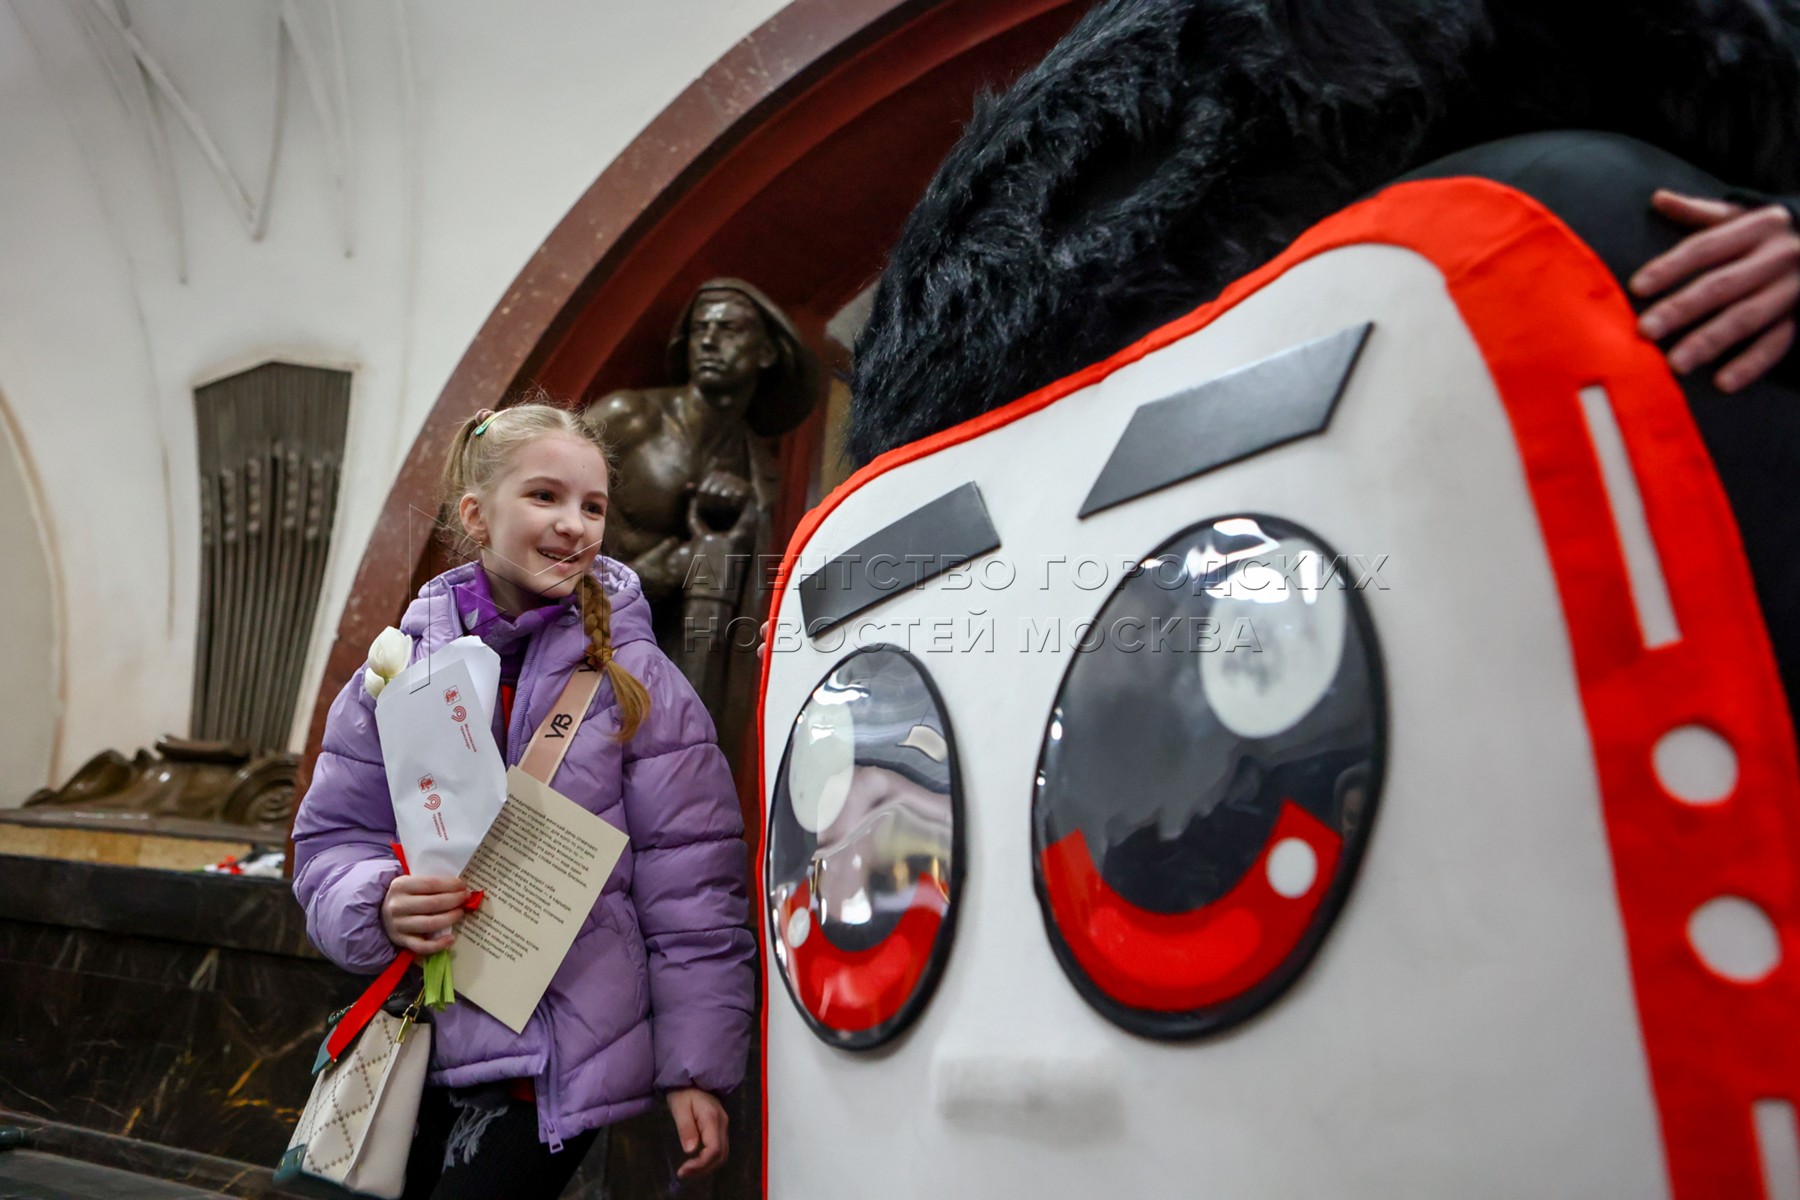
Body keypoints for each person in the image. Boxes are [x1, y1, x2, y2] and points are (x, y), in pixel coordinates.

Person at [291, 400, 755, 1200]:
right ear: (477, 514)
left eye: (594, 506)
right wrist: (378, 902)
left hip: (557, 1062)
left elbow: (694, 888)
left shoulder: (639, 682)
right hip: (419, 1041)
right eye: (546, 496)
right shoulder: (397, 672)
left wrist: (696, 1068)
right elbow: (331, 842)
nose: (575, 524)